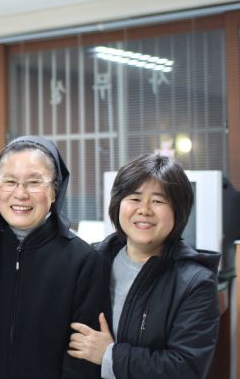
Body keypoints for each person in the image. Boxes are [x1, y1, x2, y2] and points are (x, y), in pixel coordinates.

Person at [68, 153, 220, 378]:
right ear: (118, 204)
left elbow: (186, 369)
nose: (145, 210)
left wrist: (110, 355)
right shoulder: (92, 261)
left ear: (178, 211)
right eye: (135, 198)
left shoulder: (195, 283)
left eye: (158, 201)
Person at [0, 135, 108, 378]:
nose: (20, 193)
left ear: (55, 190)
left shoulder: (83, 260)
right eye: (10, 181)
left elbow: (82, 358)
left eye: (34, 182)